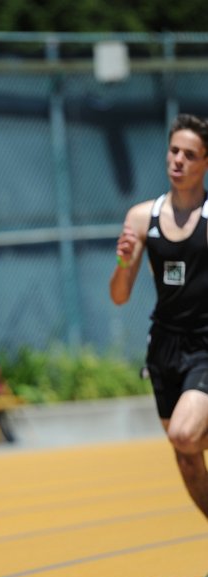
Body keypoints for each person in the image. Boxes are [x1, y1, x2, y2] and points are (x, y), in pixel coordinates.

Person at [110, 113, 208, 528]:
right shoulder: (140, 218)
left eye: (190, 154)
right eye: (174, 151)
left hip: (205, 343)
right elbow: (119, 295)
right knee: (187, 457)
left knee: (185, 434)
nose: (178, 160)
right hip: (165, 345)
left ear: (205, 162)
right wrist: (123, 259)